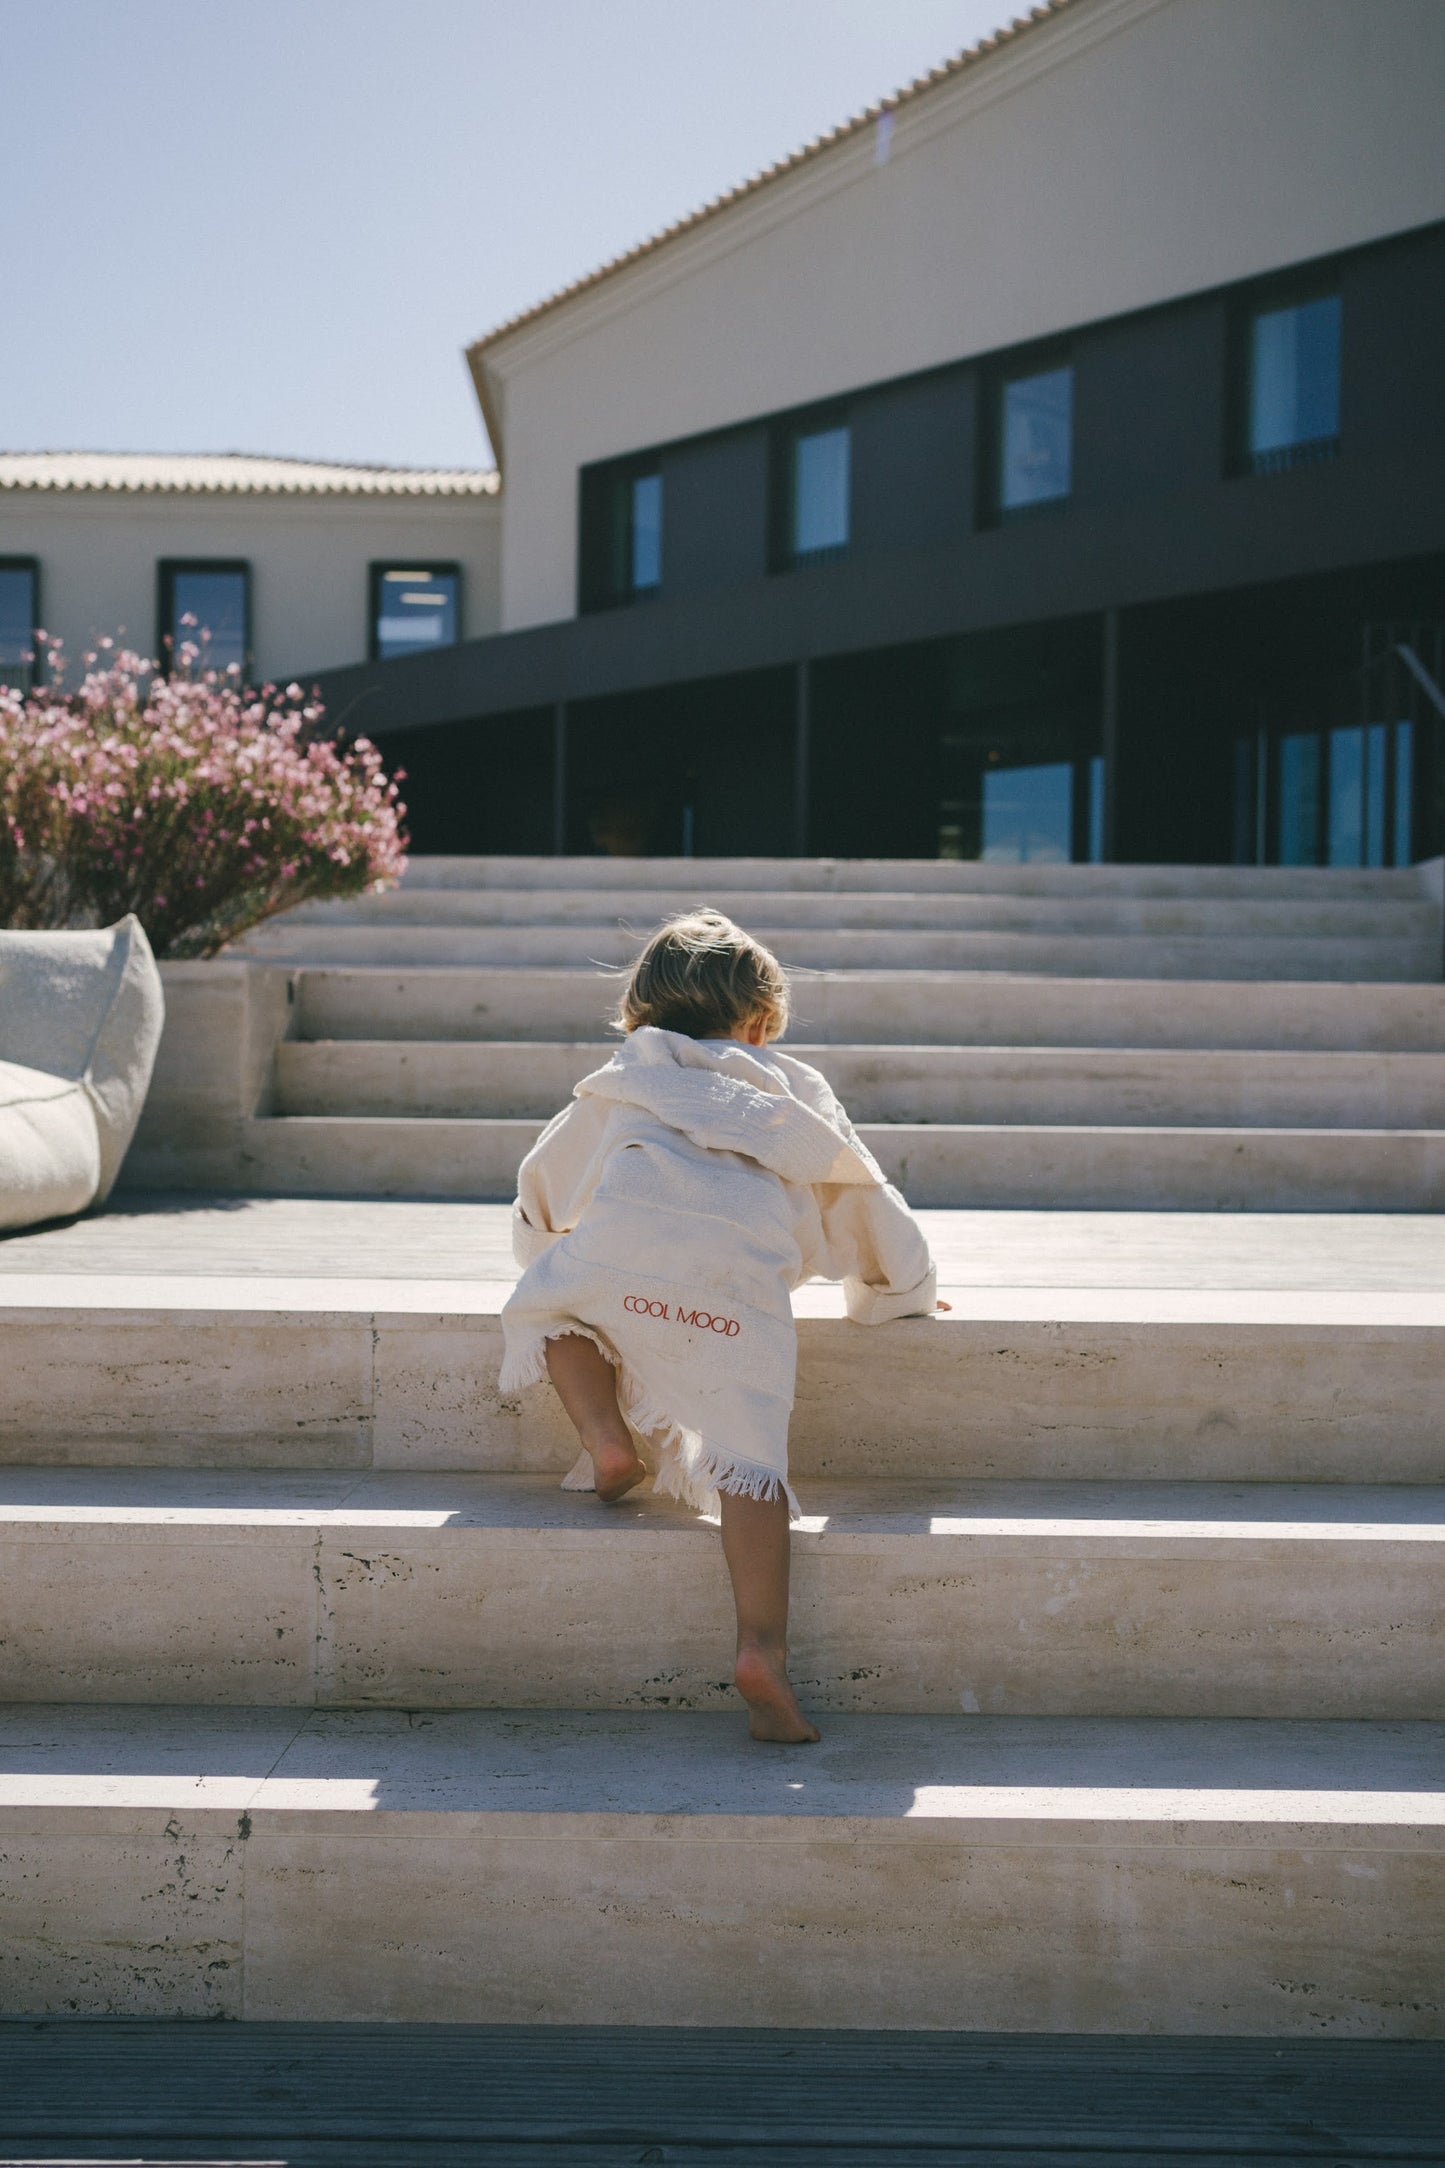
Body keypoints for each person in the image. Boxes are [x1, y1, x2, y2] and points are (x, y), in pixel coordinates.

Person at [498, 908, 941, 1744]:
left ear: (639, 1014)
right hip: (738, 1289)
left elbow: (545, 1179)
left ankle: (607, 1440)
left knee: (550, 1311)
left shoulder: (627, 1075)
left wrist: (542, 1247)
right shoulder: (794, 1087)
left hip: (619, 1255)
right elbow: (859, 1192)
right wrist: (898, 1290)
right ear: (763, 1021)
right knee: (749, 1467)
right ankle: (759, 1651)